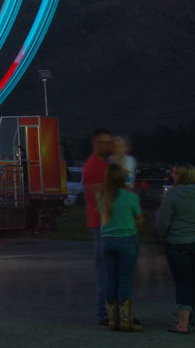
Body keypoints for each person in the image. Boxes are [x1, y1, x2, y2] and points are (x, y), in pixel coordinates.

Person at [158, 163, 195, 334]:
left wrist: (163, 236)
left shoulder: (172, 195)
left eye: (174, 173)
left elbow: (164, 222)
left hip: (179, 244)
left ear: (180, 175)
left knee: (183, 284)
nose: (172, 175)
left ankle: (183, 325)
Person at [100, 163, 144, 332]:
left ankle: (112, 319)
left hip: (107, 241)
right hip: (126, 239)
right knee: (125, 280)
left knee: (111, 279)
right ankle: (125, 320)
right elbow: (139, 218)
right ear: (122, 178)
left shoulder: (102, 196)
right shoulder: (130, 197)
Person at [84, 128, 116, 324]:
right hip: (101, 223)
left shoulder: (106, 163)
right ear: (95, 144)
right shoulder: (94, 166)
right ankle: (104, 312)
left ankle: (111, 311)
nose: (108, 146)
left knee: (109, 269)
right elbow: (101, 194)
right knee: (105, 269)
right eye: (103, 143)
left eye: (109, 142)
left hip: (107, 222)